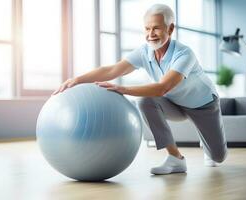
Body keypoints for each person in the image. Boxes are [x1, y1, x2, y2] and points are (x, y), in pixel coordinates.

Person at [53, 4, 227, 175]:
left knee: (217, 157)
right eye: (147, 29)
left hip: (203, 104)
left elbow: (162, 88)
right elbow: (112, 70)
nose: (150, 34)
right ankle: (176, 159)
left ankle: (208, 144)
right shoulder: (145, 52)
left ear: (170, 28)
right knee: (144, 101)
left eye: (156, 28)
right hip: (174, 103)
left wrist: (123, 89)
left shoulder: (184, 54)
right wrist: (77, 79)